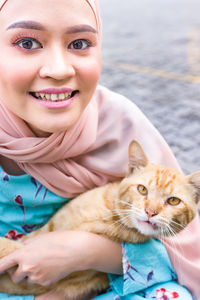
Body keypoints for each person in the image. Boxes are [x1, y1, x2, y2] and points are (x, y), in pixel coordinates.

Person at [0, 0, 199, 299]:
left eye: (80, 42)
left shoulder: (120, 125)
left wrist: (92, 252)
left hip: (104, 282)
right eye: (27, 42)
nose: (58, 70)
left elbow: (185, 251)